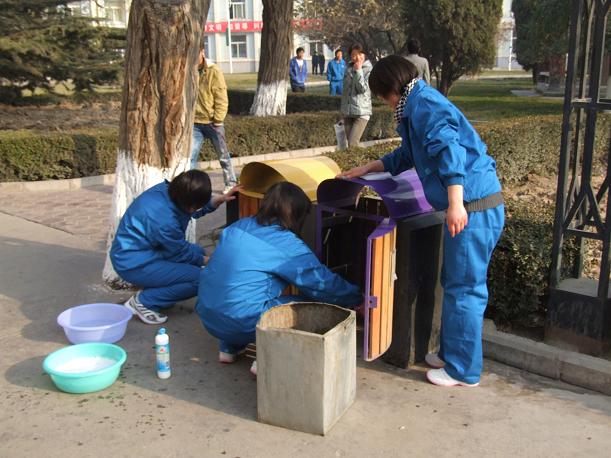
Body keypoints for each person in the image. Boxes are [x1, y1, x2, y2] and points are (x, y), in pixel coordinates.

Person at [339, 55, 504, 388]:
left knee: (465, 289)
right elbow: (409, 154)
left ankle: (463, 371)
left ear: (389, 88)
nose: (383, 102)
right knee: (454, 282)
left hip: (473, 207)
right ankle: (451, 354)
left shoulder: (425, 105)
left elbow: (450, 152)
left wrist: (455, 204)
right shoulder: (415, 104)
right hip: (469, 205)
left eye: (381, 94)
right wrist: (369, 168)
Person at [196, 182, 362, 374]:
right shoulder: (287, 245)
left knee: (238, 293)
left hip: (207, 315)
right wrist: (356, 298)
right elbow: (322, 285)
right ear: (296, 214)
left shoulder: (237, 227)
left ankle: (229, 348)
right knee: (310, 304)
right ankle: (267, 356)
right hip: (241, 323)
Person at [110, 170, 238, 325]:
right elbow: (179, 254)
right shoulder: (165, 220)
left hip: (143, 251)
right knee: (203, 278)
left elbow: (188, 212)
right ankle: (143, 302)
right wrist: (212, 261)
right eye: (196, 205)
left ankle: (161, 291)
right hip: (132, 263)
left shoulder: (168, 191)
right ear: (190, 203)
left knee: (197, 252)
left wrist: (217, 200)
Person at [190, 47, 238, 194]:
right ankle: (190, 187)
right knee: (190, 158)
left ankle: (231, 183)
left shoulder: (214, 70)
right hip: (195, 124)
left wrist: (218, 119)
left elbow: (221, 97)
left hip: (213, 123)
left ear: (202, 51)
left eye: (195, 52)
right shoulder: (187, 70)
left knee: (223, 155)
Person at [341, 43, 373, 147]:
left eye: (360, 54)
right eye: (354, 55)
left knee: (352, 143)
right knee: (350, 145)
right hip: (348, 112)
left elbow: (362, 89)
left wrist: (359, 71)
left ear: (365, 54)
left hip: (362, 112)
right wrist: (343, 111)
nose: (357, 57)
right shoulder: (348, 68)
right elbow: (346, 92)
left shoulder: (369, 70)